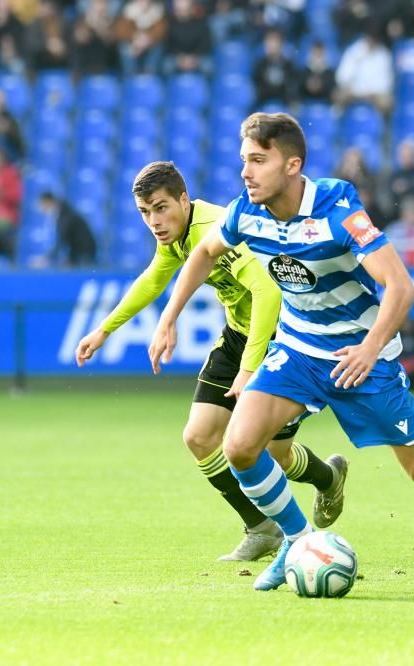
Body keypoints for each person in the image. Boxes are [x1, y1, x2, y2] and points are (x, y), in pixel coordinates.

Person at [149, 112, 414, 591]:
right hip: (299, 351)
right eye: (244, 160)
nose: (245, 172)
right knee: (240, 446)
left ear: (292, 165)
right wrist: (168, 316)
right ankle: (298, 541)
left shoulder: (337, 208)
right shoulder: (246, 211)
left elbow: (400, 288)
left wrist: (369, 349)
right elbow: (202, 252)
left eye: (258, 161)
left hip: (363, 360)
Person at [74, 161, 347, 562]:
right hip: (240, 334)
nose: (154, 221)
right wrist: (105, 330)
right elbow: (153, 278)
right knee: (199, 436)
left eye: (162, 208)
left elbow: (268, 294)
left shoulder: (216, 229)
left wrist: (249, 368)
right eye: (145, 212)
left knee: (271, 453)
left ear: (184, 200)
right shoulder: (177, 235)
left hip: (285, 339)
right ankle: (261, 527)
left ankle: (328, 477)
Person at [38, 192, 97, 267]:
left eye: (42, 204)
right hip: (77, 253)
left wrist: (46, 258)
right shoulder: (63, 212)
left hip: (84, 254)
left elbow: (62, 238)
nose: (41, 208)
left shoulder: (65, 215)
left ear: (48, 201)